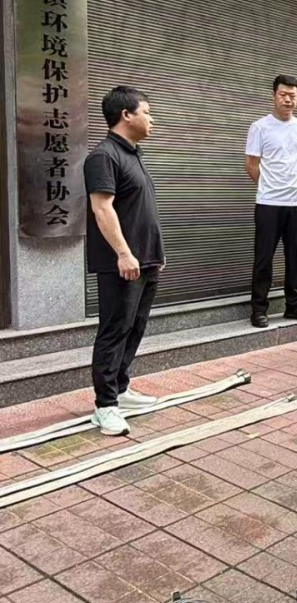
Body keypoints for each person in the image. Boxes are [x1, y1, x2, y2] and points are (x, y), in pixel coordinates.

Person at [84, 86, 164, 435]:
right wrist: (123, 252)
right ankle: (105, 407)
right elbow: (102, 208)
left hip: (145, 260)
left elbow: (141, 211)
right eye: (147, 112)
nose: (151, 119)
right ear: (126, 115)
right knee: (115, 330)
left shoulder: (133, 154)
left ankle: (120, 389)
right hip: (122, 263)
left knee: (135, 327)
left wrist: (155, 254)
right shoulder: (104, 156)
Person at [245, 75, 297, 328]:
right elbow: (251, 165)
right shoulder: (259, 127)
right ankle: (259, 308)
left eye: (293, 96)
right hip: (269, 203)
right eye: (283, 94)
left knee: (295, 257)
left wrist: (292, 183)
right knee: (264, 257)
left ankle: (294, 305)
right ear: (274, 96)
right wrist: (270, 185)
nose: (288, 100)